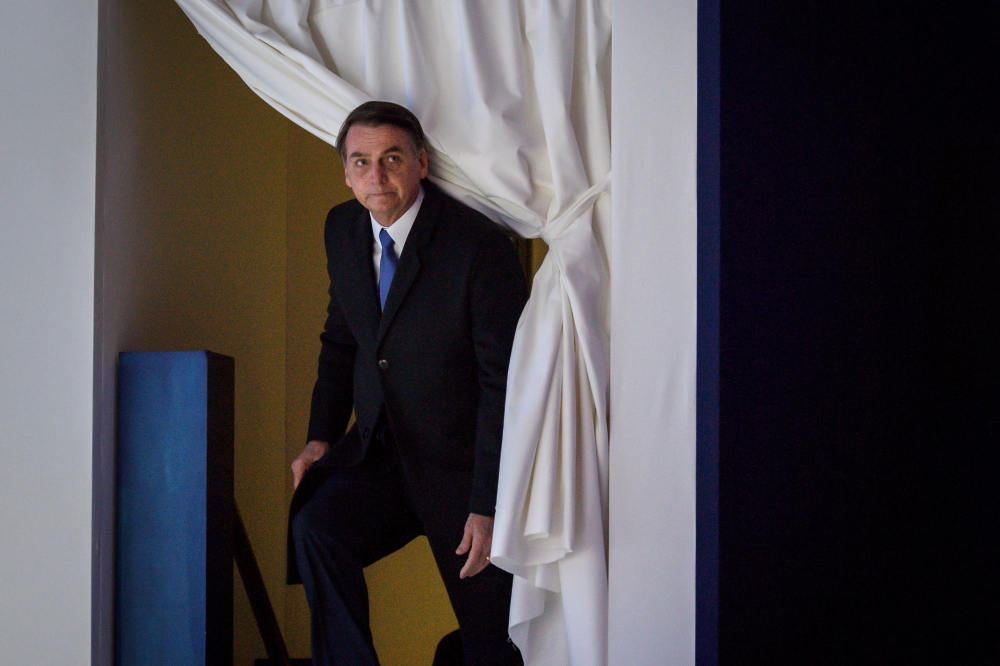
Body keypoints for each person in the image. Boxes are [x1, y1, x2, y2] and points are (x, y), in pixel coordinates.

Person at [286, 101, 527, 666]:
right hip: (382, 459)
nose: (377, 175)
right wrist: (321, 437)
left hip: (463, 473)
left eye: (392, 158)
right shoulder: (341, 229)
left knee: (494, 642)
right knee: (317, 526)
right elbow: (341, 340)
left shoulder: (479, 245)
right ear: (346, 173)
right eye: (361, 161)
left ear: (421, 163)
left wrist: (490, 503)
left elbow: (505, 384)